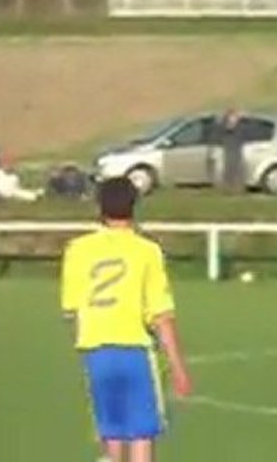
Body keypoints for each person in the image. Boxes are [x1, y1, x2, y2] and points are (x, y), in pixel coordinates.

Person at [60, 177, 192, 462]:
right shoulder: (147, 251)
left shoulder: (78, 249)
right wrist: (178, 367)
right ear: (135, 205)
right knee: (142, 433)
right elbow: (161, 315)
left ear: (99, 207)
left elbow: (71, 310)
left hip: (95, 352)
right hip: (134, 349)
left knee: (112, 432)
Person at [219, 109, 245, 194]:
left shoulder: (240, 126)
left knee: (237, 169)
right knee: (228, 169)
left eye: (234, 117)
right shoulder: (224, 125)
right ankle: (228, 188)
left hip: (237, 150)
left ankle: (238, 188)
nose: (233, 118)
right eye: (232, 116)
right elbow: (227, 128)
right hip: (228, 150)